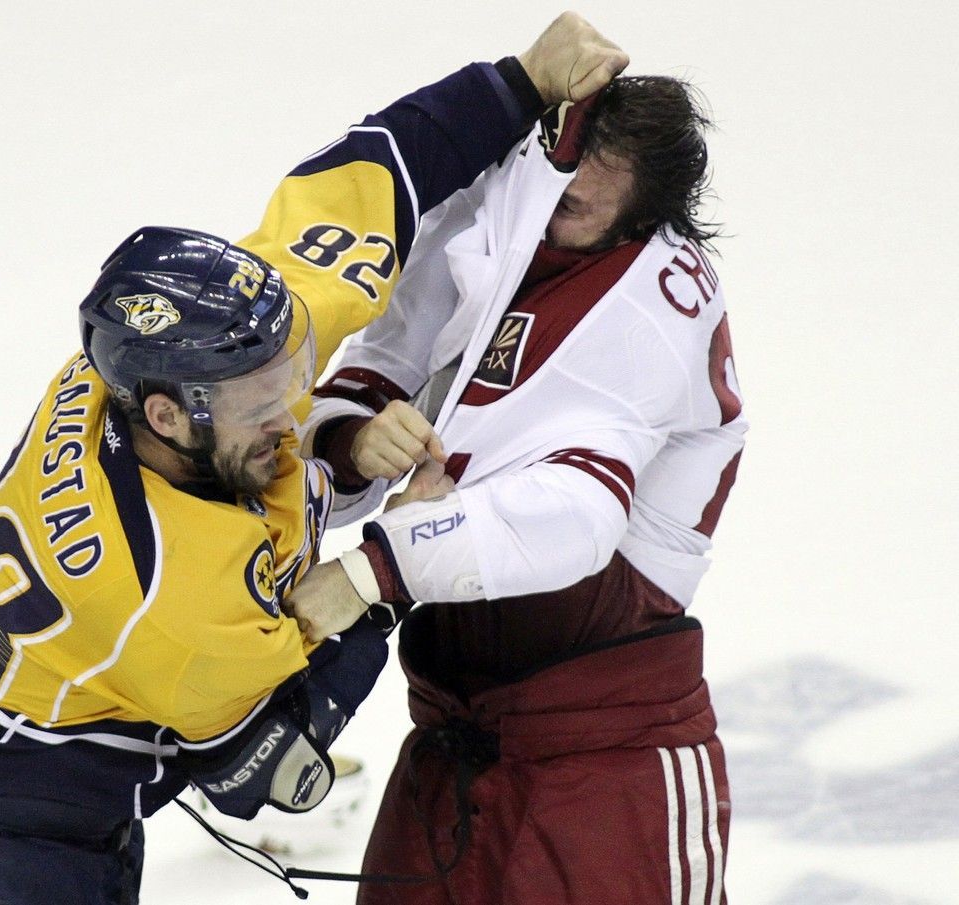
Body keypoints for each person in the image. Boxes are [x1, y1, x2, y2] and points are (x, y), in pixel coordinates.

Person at [0, 12, 629, 905]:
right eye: (264, 397)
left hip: (14, 769)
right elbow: (265, 767)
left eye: (291, 370)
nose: (291, 405)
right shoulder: (162, 598)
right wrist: (389, 572)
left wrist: (521, 79)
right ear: (169, 413)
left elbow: (374, 174)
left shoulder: (194, 351)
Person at [288, 75, 744, 904]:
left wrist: (370, 574)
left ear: (642, 213)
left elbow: (577, 518)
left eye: (591, 190)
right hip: (453, 728)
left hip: (605, 762)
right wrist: (357, 439)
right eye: (563, 170)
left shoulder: (649, 311)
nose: (563, 195)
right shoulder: (510, 209)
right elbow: (380, 363)